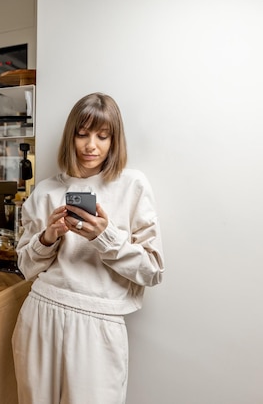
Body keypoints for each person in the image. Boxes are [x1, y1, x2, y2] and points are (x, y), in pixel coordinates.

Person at [12, 92, 165, 404]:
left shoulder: (133, 186)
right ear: (71, 137)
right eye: (82, 134)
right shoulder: (46, 191)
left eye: (102, 136)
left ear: (114, 140)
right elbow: (25, 267)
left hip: (100, 324)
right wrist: (48, 238)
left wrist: (105, 237)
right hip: (41, 313)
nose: (90, 146)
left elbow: (152, 271)